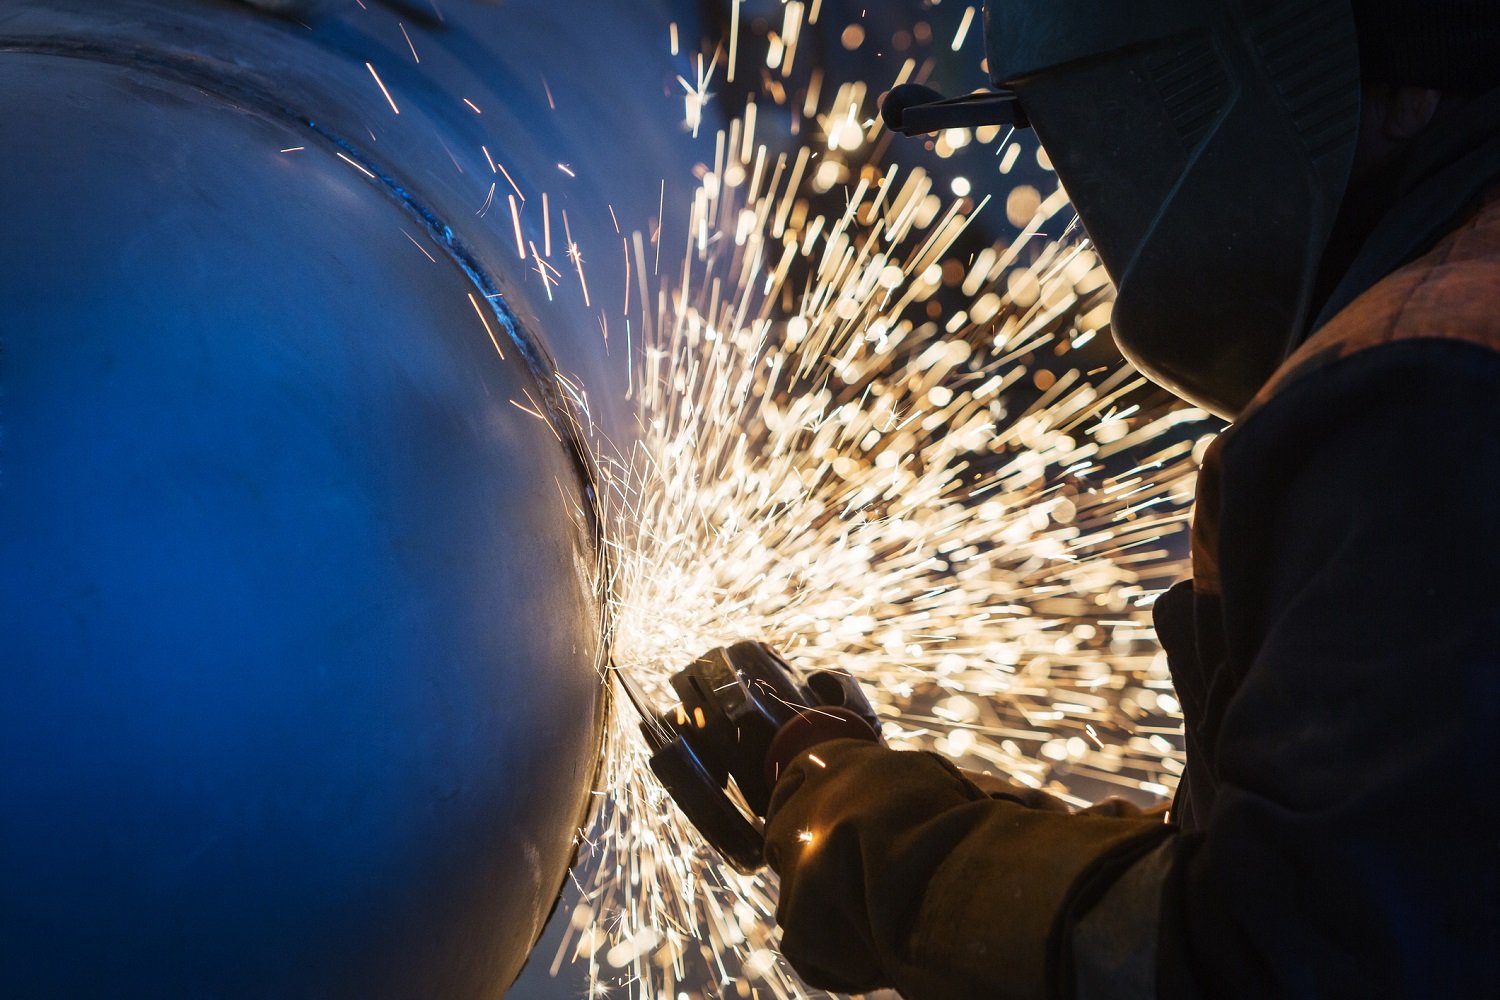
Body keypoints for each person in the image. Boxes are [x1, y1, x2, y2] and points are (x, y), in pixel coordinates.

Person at [762, 1, 1500, 996]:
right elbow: (1375, 875)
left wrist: (887, 857)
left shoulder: (1420, 387)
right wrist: (965, 818)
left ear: (1399, 86)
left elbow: (1277, 960)